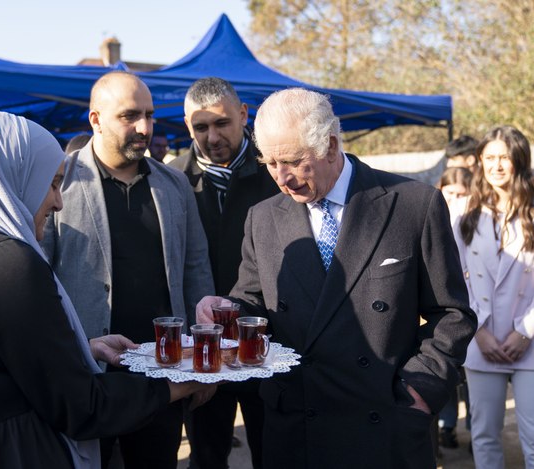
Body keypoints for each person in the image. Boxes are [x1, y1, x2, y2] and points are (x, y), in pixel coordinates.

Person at [0, 108, 214, 469]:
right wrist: (182, 381)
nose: (58, 202)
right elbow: (82, 407)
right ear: (13, 178)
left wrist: (77, 347)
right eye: (50, 184)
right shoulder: (7, 263)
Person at [196, 88, 477, 468]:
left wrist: (419, 391)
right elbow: (253, 300)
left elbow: (452, 314)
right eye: (270, 163)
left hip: (386, 427)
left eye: (294, 161)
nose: (282, 178)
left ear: (330, 145)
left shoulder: (413, 203)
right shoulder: (262, 218)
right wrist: (225, 309)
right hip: (298, 430)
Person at [41, 72, 214, 469]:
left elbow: (195, 270)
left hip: (162, 375)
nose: (145, 128)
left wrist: (202, 361)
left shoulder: (175, 186)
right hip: (87, 374)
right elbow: (38, 276)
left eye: (150, 116)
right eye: (130, 116)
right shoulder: (58, 182)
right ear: (95, 120)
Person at [169, 76, 279, 469]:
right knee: (207, 453)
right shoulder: (173, 181)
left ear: (244, 115)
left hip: (267, 339)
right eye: (201, 127)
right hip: (201, 346)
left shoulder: (276, 175)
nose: (212, 137)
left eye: (222, 124)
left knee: (273, 449)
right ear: (187, 126)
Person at [451, 125, 534, 469]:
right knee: (484, 434)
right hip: (481, 338)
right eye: (489, 158)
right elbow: (453, 279)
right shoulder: (463, 211)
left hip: (529, 340)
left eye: (504, 158)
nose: (496, 166)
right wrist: (478, 332)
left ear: (519, 160)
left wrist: (525, 331)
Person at [436, 165, 474, 450]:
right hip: (441, 312)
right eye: (450, 193)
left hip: (472, 312)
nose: (456, 200)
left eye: (463, 194)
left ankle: (474, 425)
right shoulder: (431, 219)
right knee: (447, 376)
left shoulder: (473, 224)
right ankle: (446, 426)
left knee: (471, 381)